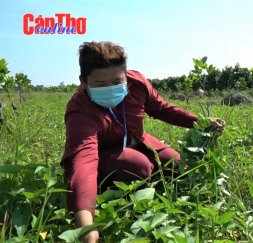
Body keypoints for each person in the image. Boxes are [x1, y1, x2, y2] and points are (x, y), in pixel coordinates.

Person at [61, 41, 225, 242]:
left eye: (116, 81)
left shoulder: (136, 83)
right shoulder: (81, 111)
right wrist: (87, 228)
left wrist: (199, 122)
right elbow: (84, 164)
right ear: (84, 82)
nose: (111, 89)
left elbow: (161, 108)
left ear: (125, 74)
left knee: (182, 166)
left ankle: (145, 174)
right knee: (139, 167)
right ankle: (108, 190)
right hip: (103, 154)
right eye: (101, 85)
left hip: (139, 140)